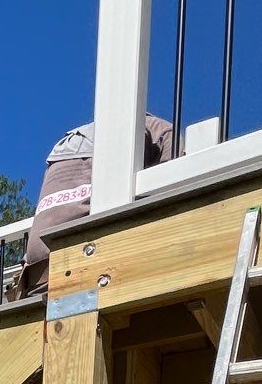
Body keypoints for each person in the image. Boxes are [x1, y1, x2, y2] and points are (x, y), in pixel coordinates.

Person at [19, 114, 173, 297]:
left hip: (35, 280)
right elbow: (174, 190)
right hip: (85, 272)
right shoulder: (158, 130)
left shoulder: (67, 144)